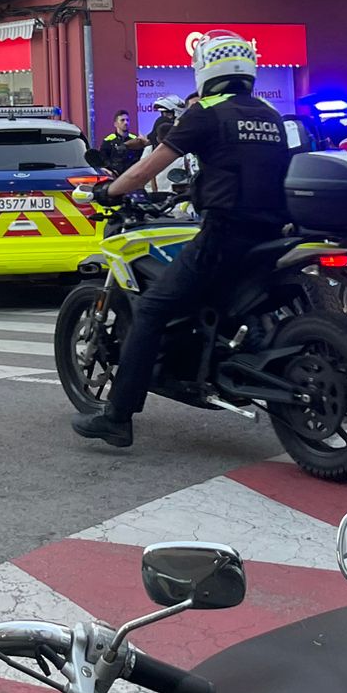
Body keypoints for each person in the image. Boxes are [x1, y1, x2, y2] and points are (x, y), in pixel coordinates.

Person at [74, 31, 293, 443]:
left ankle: (118, 418)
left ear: (206, 70)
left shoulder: (207, 112)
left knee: (153, 308)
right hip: (274, 231)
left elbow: (147, 169)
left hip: (225, 232)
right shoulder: (269, 113)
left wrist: (108, 190)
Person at [98, 111, 143, 177]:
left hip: (133, 176)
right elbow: (102, 160)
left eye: (127, 120)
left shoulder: (135, 140)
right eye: (122, 120)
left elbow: (141, 158)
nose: (126, 122)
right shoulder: (108, 141)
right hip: (115, 177)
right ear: (115, 124)